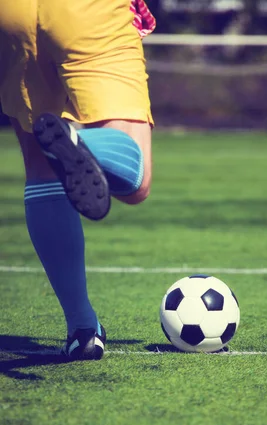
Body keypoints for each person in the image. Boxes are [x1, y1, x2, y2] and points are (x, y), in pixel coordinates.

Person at [0, 0, 156, 361]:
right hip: (87, 9)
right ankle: (80, 142)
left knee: (41, 168)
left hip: (12, 13)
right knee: (135, 177)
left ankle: (83, 328)